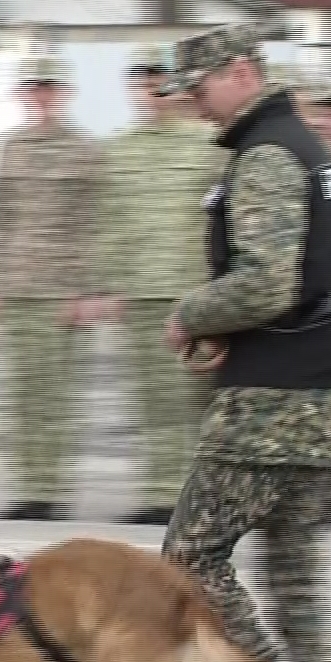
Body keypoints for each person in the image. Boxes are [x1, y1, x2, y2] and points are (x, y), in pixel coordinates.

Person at [156, 21, 331, 662]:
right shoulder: (308, 148)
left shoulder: (269, 156)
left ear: (241, 72)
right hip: (321, 391)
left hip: (272, 405)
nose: (197, 107)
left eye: (200, 90)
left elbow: (269, 282)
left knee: (190, 561)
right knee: (297, 577)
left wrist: (192, 314)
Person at [0, 53, 105, 521]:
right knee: (20, 395)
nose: (40, 97)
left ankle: (50, 488)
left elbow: (94, 227)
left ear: (64, 94)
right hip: (16, 288)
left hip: (60, 291)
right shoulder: (5, 148)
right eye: (32, 89)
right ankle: (25, 488)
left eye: (49, 88)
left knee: (56, 396)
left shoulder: (86, 152)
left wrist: (87, 290)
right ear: (21, 95)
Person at [97, 46, 222, 526]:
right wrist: (111, 284)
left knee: (202, 401)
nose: (150, 90)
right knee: (154, 400)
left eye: (159, 80)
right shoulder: (121, 149)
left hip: (195, 291)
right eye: (141, 81)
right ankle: (161, 492)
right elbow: (110, 223)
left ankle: (208, 495)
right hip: (143, 290)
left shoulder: (208, 144)